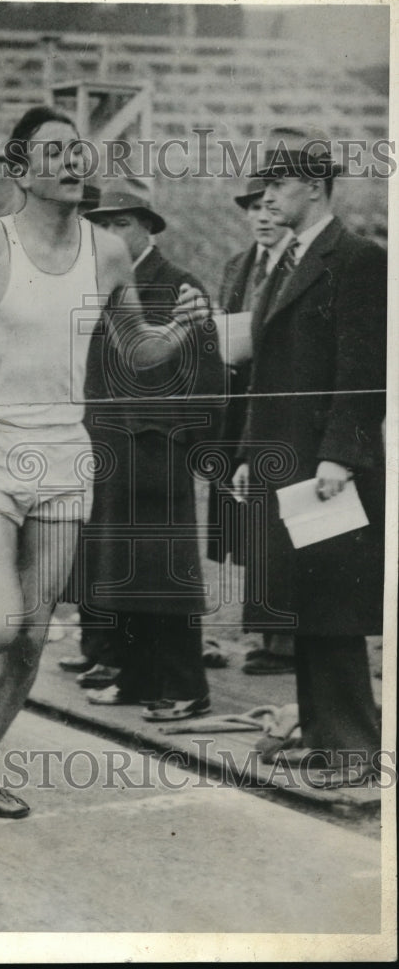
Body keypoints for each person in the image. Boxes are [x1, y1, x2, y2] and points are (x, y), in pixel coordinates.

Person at [0, 106, 210, 817]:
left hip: (65, 456)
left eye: (79, 151)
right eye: (57, 153)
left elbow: (137, 350)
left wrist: (179, 331)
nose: (74, 163)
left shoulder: (109, 251)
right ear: (18, 171)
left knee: (33, 636)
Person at [233, 127, 386, 785]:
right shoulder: (287, 260)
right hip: (282, 459)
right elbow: (266, 372)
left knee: (333, 608)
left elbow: (363, 371)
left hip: (324, 467)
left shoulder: (357, 260)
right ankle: (323, 735)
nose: (267, 196)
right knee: (300, 604)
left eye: (279, 185)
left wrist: (339, 458)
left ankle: (351, 748)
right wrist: (245, 451)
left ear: (316, 188)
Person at [73, 187, 217, 720]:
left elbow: (205, 373)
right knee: (121, 569)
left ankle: (186, 687)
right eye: (101, 225)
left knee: (167, 574)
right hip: (108, 446)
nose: (108, 235)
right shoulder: (102, 283)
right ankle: (135, 679)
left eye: (120, 224)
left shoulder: (179, 283)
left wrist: (190, 445)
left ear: (146, 228)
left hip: (158, 449)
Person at [206, 178, 296, 676]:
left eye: (269, 207)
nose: (261, 217)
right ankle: (268, 634)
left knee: (283, 520)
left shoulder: (300, 264)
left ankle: (285, 641)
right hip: (241, 403)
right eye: (253, 209)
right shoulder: (238, 266)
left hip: (281, 407)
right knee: (252, 523)